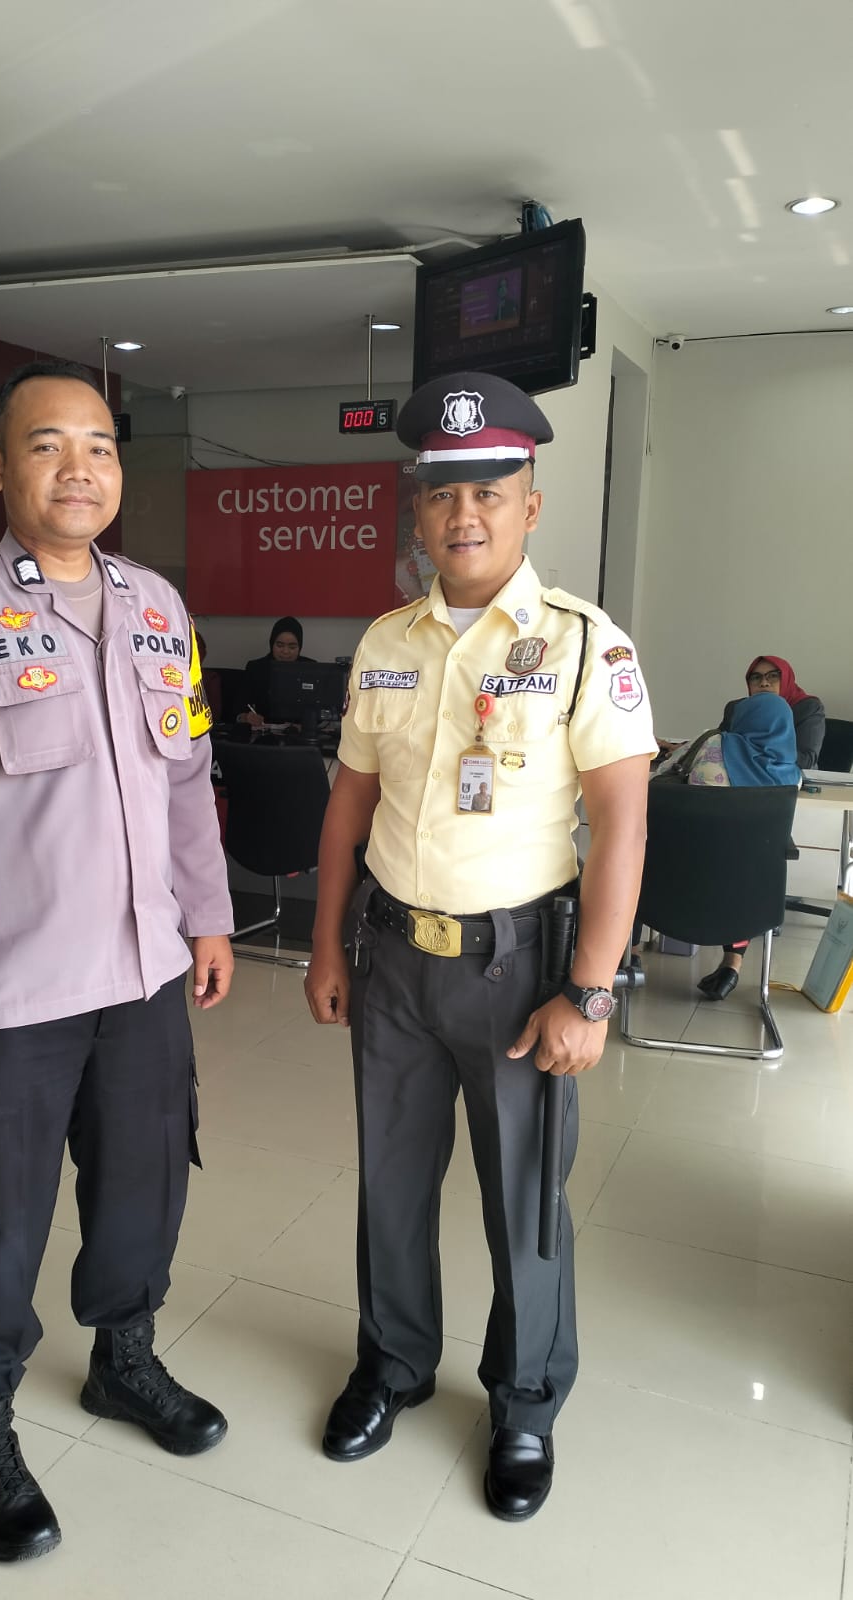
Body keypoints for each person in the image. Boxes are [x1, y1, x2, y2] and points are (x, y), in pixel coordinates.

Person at [0, 359, 235, 1564]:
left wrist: (208, 916)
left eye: (99, 446)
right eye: (47, 445)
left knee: (145, 1184)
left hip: (143, 977)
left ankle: (123, 1359)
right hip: (10, 994)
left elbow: (186, 775)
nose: (78, 468)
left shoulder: (156, 605)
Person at [303, 370, 656, 1522]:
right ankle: (394, 1363)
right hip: (393, 959)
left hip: (519, 972)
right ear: (418, 508)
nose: (464, 514)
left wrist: (589, 993)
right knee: (391, 1185)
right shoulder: (385, 641)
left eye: (489, 491)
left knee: (524, 1203)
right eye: (443, 491)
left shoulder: (582, 644)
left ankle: (524, 1404)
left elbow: (621, 825)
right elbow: (349, 805)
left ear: (528, 505)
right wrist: (327, 946)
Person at [659, 694, 799, 1001]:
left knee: (639, 853)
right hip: (746, 903)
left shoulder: (713, 744)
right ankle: (732, 965)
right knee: (744, 867)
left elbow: (661, 775)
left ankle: (627, 956)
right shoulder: (793, 778)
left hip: (671, 886)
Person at [723, 654, 825, 770]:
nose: (763, 683)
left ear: (786, 679)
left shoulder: (808, 707)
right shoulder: (736, 708)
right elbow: (719, 747)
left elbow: (806, 761)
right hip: (740, 773)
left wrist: (750, 748)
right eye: (756, 677)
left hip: (791, 777)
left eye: (773, 676)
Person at [238, 615, 311, 727]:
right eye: (280, 645)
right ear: (272, 644)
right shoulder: (256, 668)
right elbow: (238, 709)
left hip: (299, 734)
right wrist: (246, 717)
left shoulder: (310, 668)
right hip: (263, 732)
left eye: (292, 647)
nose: (285, 651)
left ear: (299, 647)